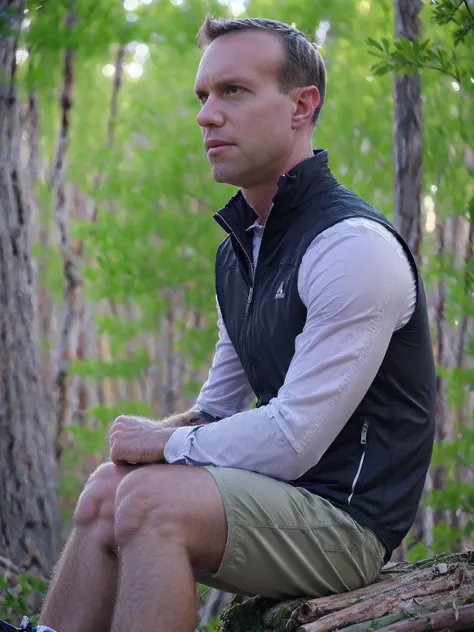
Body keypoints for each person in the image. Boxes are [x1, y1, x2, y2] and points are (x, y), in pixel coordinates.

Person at [1, 15, 436, 632]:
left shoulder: (351, 247)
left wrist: (165, 444)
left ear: (301, 106)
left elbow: (294, 439)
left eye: (233, 91)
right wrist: (148, 443)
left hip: (347, 524)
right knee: (107, 488)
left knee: (154, 502)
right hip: (271, 501)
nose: (207, 115)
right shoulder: (240, 253)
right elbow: (218, 411)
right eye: (203, 97)